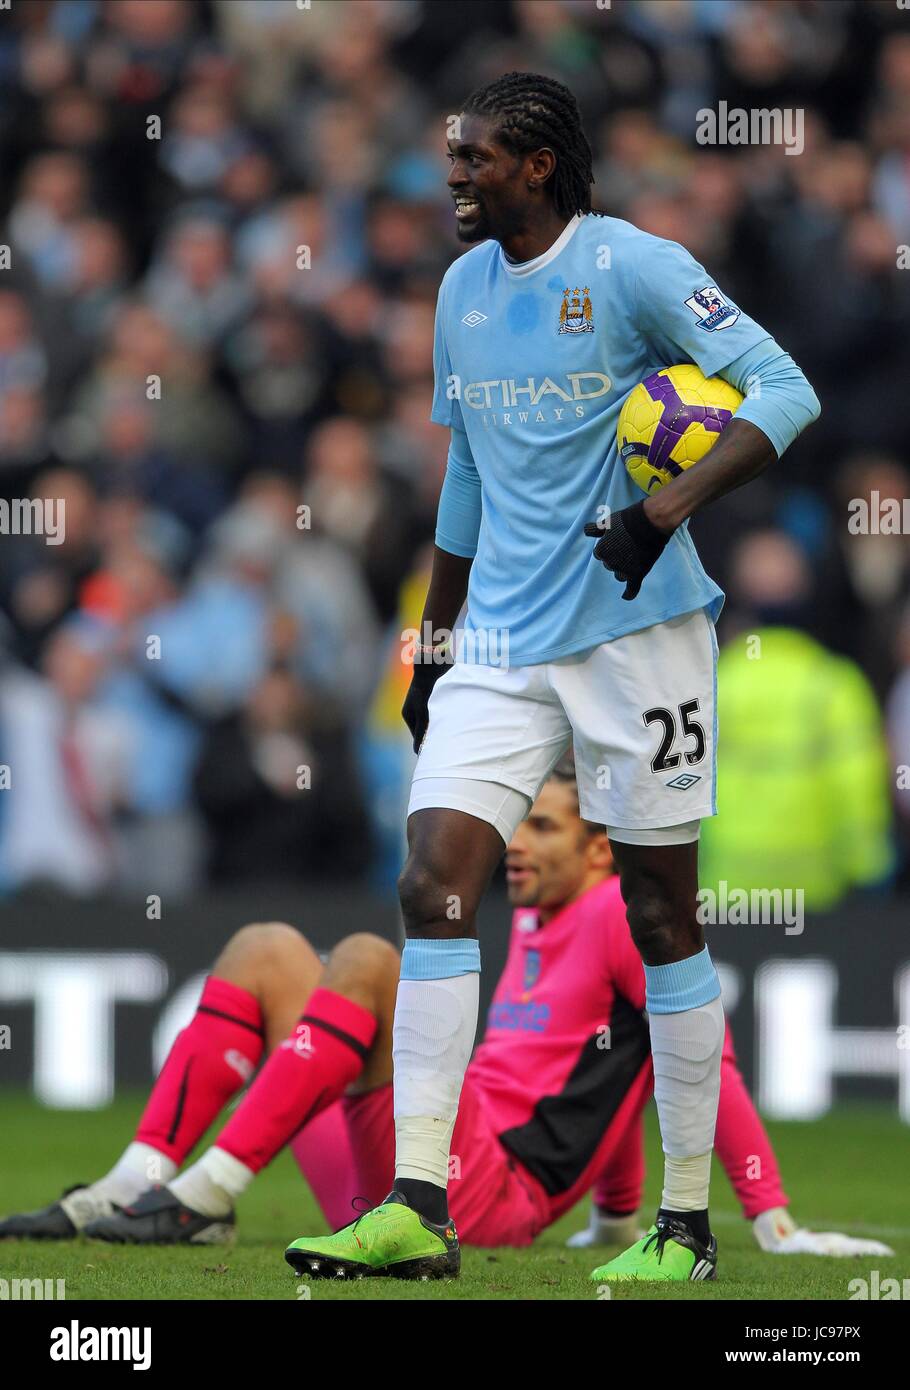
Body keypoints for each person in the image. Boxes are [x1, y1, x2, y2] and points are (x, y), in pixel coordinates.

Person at [291, 69, 820, 1282]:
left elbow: (785, 388)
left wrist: (662, 508)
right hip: (500, 646)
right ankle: (417, 1208)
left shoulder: (631, 266)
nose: (454, 174)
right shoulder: (460, 290)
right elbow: (467, 473)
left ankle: (682, 1230)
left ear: (537, 165)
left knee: (658, 915)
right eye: (452, 154)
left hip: (641, 636)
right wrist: (436, 640)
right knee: (431, 885)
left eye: (474, 156)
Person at [2, 766, 886, 1270]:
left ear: (602, 848)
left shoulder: (621, 920)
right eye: (517, 825)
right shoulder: (538, 925)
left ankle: (207, 1194)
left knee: (372, 960)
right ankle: (140, 1178)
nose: (517, 844)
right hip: (413, 1169)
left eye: (542, 826)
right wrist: (616, 1219)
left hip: (483, 1197)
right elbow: (615, 1064)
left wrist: (770, 1217)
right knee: (265, 947)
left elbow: (701, 1062)